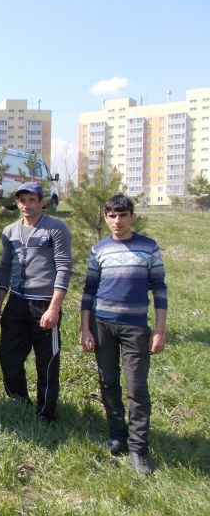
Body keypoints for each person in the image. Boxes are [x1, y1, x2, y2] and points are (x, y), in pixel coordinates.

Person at [79, 194, 167, 475]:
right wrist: (85, 328)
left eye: (123, 215)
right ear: (106, 218)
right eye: (112, 216)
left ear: (132, 217)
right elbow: (89, 291)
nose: (117, 221)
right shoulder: (99, 249)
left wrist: (160, 330)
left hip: (135, 328)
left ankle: (139, 449)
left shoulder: (148, 248)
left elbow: (160, 290)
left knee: (137, 388)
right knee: (108, 382)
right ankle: (118, 435)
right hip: (102, 325)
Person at [0, 181, 72, 423]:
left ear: (42, 202)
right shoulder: (10, 231)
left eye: (32, 200)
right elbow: (5, 268)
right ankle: (18, 401)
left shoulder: (55, 229)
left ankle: (46, 411)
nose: (27, 205)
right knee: (8, 356)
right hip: (16, 302)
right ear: (16, 203)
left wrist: (54, 307)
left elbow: (64, 267)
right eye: (22, 200)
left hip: (44, 303)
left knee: (46, 361)